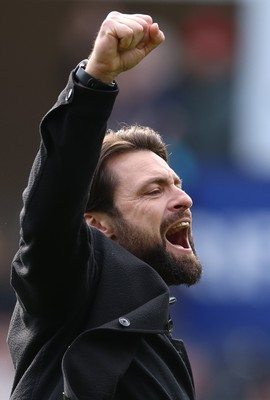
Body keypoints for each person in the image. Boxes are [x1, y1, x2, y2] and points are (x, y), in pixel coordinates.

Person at [8, 11, 202, 400]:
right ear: (97, 224)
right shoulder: (65, 294)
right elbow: (51, 210)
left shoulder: (157, 342)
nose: (184, 199)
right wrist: (94, 80)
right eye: (154, 190)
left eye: (176, 185)